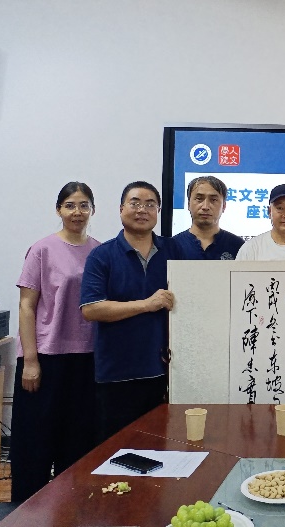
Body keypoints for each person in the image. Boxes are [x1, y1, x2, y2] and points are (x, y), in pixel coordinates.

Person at [10, 182, 100, 502]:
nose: (77, 212)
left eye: (84, 205)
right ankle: (26, 511)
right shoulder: (42, 249)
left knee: (78, 441)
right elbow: (26, 306)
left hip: (87, 357)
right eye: (70, 205)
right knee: (35, 441)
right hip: (46, 357)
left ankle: (69, 509)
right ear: (59, 209)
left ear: (92, 210)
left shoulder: (100, 251)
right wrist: (30, 360)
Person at [80, 181, 175, 441]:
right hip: (117, 374)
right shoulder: (101, 255)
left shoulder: (174, 251)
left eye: (150, 204)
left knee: (161, 447)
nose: (142, 210)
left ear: (158, 211)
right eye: (135, 203)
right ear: (121, 209)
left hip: (165, 373)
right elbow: (91, 309)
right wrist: (147, 304)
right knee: (117, 450)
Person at [172, 176, 244, 260]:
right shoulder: (172, 245)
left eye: (213, 200)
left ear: (224, 206)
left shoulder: (239, 246)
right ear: (188, 204)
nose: (205, 207)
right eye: (199, 199)